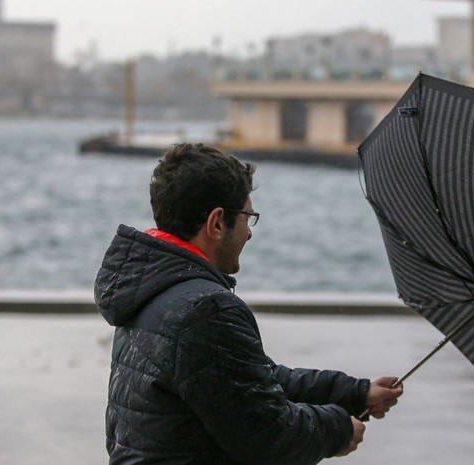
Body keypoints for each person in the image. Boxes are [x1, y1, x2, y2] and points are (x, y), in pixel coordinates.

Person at [94, 143, 403, 464]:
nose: (250, 233)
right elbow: (266, 434)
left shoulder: (149, 288)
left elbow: (249, 380)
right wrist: (337, 429)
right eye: (247, 217)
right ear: (217, 223)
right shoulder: (205, 309)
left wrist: (356, 393)